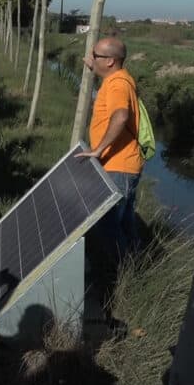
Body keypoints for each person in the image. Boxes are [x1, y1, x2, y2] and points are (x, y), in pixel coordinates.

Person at [76, 37, 143, 256]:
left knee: (108, 227)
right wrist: (93, 64)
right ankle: (135, 266)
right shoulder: (116, 79)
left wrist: (98, 149)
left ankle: (120, 275)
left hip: (118, 165)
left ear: (111, 61)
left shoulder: (117, 85)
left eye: (95, 56)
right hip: (123, 164)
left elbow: (121, 116)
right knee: (124, 222)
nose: (91, 59)